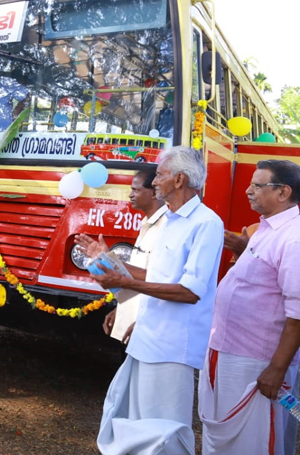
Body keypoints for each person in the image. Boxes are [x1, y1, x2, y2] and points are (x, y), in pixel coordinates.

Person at [94, 146, 224, 455]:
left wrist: (125, 281)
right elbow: (157, 274)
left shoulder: (206, 223)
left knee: (165, 431)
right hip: (147, 338)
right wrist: (108, 261)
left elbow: (189, 292)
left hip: (172, 347)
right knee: (134, 423)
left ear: (179, 180)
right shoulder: (172, 220)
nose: (154, 182)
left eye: (161, 175)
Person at [199, 160, 300, 455]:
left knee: (254, 442)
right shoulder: (265, 229)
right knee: (225, 436)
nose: (248, 190)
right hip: (227, 350)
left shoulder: (293, 238)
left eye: (257, 185)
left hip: (257, 361)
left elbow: (297, 314)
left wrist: (277, 369)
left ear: (283, 192)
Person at [76, 169, 166, 345]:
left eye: (136, 190)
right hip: (131, 323)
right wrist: (121, 308)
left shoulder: (166, 227)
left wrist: (110, 260)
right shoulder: (147, 224)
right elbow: (136, 275)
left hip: (145, 328)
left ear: (154, 192)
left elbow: (159, 279)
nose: (130, 195)